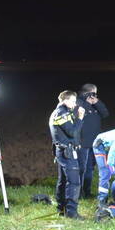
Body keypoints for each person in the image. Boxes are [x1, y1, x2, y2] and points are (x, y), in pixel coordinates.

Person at [48, 90, 86, 219]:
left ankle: (62, 209)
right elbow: (72, 131)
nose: (75, 104)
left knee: (63, 181)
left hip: (64, 151)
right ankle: (71, 213)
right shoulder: (61, 113)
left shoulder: (63, 112)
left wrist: (76, 143)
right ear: (65, 100)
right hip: (66, 153)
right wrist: (80, 118)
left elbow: (70, 133)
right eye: (73, 101)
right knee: (74, 182)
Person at [78, 83, 110, 198]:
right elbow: (80, 113)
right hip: (83, 143)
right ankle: (79, 193)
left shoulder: (95, 105)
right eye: (94, 93)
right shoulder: (78, 103)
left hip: (94, 143)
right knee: (82, 169)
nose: (95, 96)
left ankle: (87, 192)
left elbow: (105, 113)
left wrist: (97, 102)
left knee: (90, 169)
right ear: (88, 93)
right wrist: (87, 102)